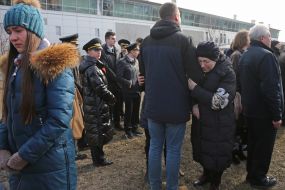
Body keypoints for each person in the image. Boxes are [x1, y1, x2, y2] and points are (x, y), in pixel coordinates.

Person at [0, 0, 78, 189]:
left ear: (34, 30)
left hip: (49, 168)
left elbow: (59, 120)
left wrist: (24, 155)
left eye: (18, 30)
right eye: (9, 32)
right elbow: (8, 114)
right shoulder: (16, 65)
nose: (12, 37)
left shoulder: (54, 65)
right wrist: (3, 146)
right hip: (19, 168)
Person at [140, 2, 202, 190]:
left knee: (155, 147)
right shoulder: (184, 40)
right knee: (173, 149)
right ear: (176, 17)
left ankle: (155, 187)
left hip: (153, 105)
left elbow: (142, 75)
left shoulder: (145, 42)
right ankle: (172, 187)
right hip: (176, 106)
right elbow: (195, 75)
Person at [238, 24, 284, 189]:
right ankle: (258, 179)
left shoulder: (246, 54)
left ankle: (252, 174)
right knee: (263, 148)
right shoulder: (267, 56)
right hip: (264, 112)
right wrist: (277, 115)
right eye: (270, 37)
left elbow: (241, 85)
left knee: (253, 145)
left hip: (250, 110)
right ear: (263, 38)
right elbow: (271, 89)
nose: (271, 40)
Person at [188, 42, 236, 190]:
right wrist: (194, 105)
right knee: (203, 149)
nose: (202, 65)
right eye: (200, 61)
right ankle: (206, 175)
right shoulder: (200, 70)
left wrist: (195, 89)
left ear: (215, 59)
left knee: (217, 152)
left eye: (206, 61)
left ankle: (216, 181)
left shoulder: (227, 73)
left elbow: (218, 101)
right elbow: (190, 94)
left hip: (220, 123)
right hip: (202, 120)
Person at [79, 38, 115, 167]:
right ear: (88, 51)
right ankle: (99, 160)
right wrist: (112, 98)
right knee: (97, 132)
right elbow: (100, 88)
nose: (99, 52)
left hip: (94, 104)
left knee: (95, 131)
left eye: (100, 49)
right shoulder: (92, 68)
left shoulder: (92, 65)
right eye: (95, 49)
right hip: (95, 105)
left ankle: (98, 159)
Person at [59, 33, 88, 161]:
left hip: (76, 94)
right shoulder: (63, 60)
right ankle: (72, 152)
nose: (76, 48)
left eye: (76, 46)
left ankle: (76, 149)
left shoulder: (73, 58)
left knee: (76, 121)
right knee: (71, 123)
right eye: (73, 45)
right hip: (68, 96)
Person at [230, 30, 250, 164]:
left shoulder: (243, 54)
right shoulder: (237, 55)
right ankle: (233, 152)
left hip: (242, 94)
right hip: (237, 95)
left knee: (241, 125)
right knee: (236, 125)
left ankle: (239, 150)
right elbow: (234, 77)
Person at [116, 43, 142, 138]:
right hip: (128, 91)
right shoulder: (122, 62)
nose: (138, 52)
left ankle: (135, 127)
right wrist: (128, 82)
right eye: (137, 50)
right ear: (131, 51)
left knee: (136, 110)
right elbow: (118, 77)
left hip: (136, 89)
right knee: (129, 111)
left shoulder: (136, 61)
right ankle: (128, 130)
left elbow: (137, 73)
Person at [100, 31, 124, 131]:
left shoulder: (117, 50)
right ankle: (110, 126)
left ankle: (117, 123)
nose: (115, 40)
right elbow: (106, 67)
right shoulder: (102, 51)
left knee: (118, 103)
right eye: (113, 38)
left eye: (115, 38)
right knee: (109, 105)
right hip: (109, 82)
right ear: (107, 39)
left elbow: (121, 65)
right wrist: (116, 77)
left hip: (118, 83)